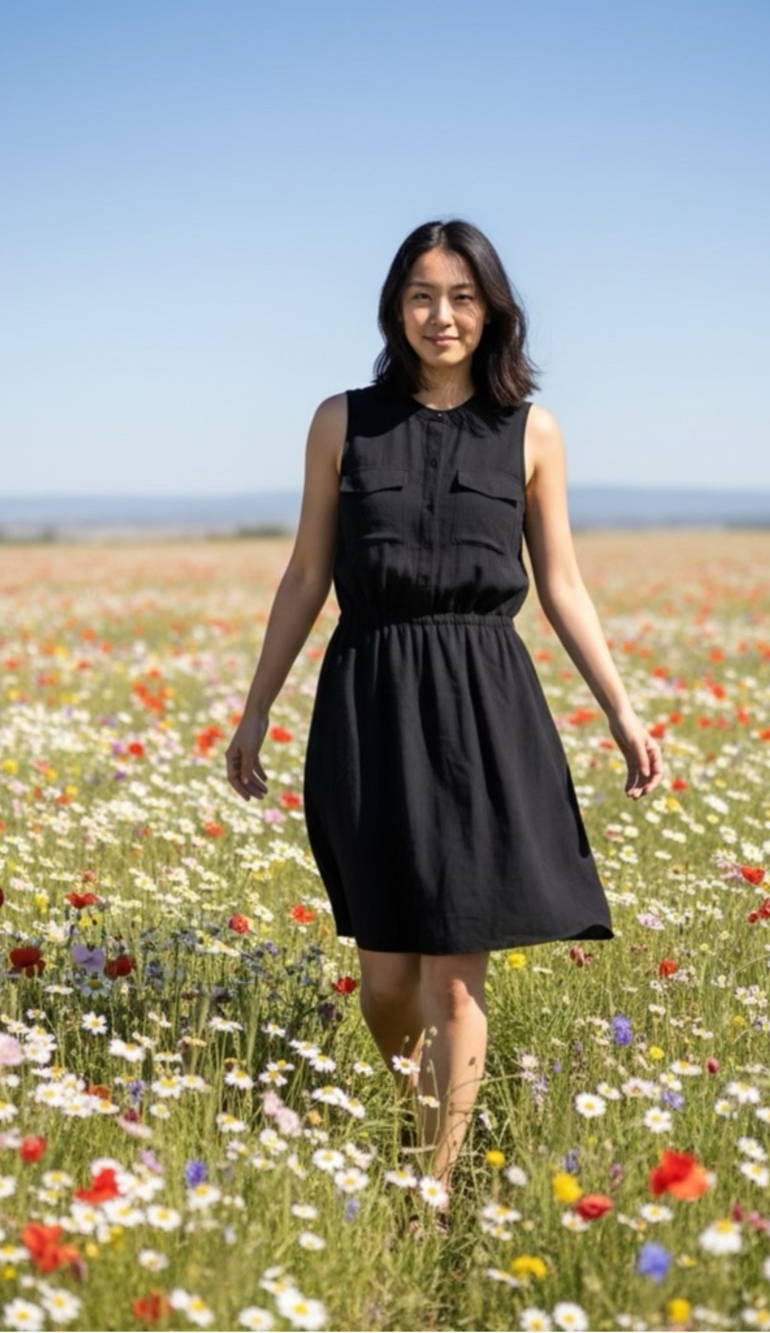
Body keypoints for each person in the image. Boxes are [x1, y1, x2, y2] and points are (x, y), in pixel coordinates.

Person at [226, 218, 663, 1208]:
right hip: (369, 693)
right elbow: (304, 574)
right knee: (386, 976)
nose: (442, 315)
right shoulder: (341, 421)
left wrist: (623, 713)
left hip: (481, 703)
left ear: (492, 310)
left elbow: (562, 584)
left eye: (462, 297)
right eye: (423, 295)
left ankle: (432, 1185)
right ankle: (412, 1101)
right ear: (395, 308)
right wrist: (255, 710)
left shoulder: (530, 431)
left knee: (454, 974)